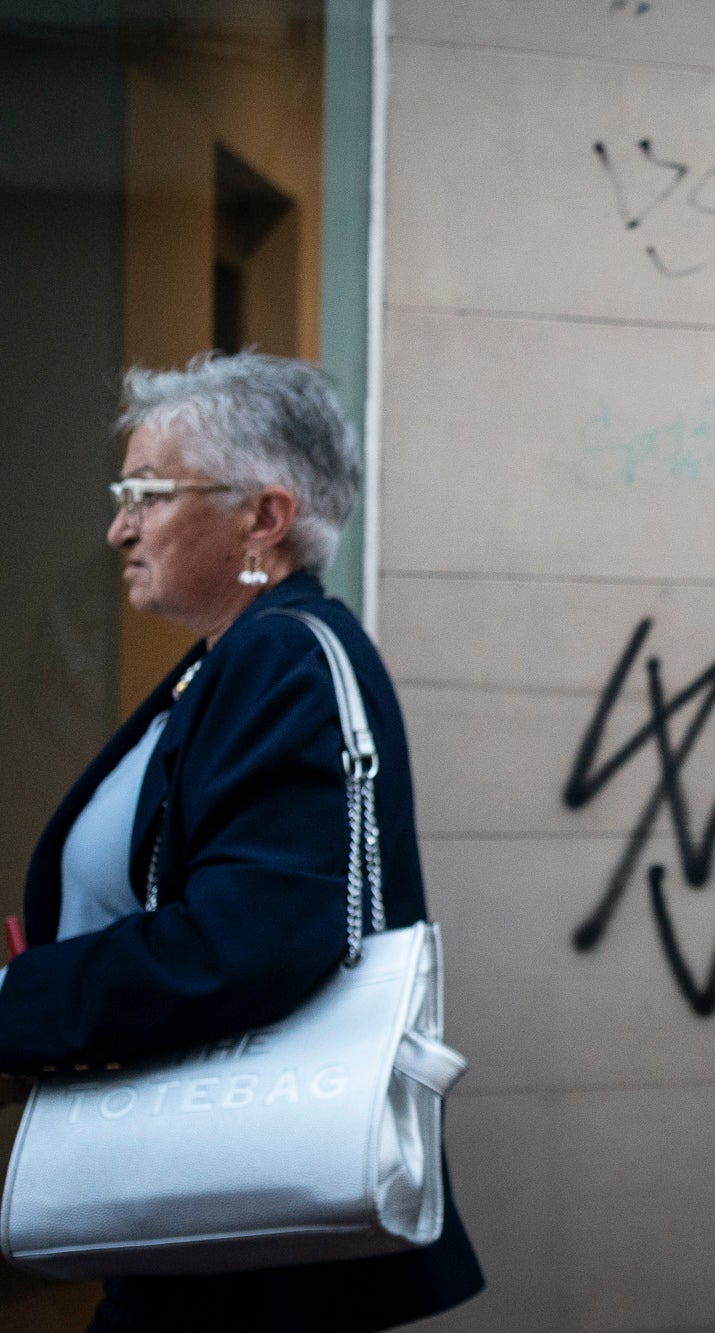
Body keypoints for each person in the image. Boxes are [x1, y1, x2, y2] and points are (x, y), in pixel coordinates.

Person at [0, 352, 483, 1331]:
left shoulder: (282, 656)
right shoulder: (228, 662)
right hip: (204, 1221)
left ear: (265, 518)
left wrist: (18, 1000)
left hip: (246, 1249)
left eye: (146, 495)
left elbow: (250, 939)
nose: (119, 528)